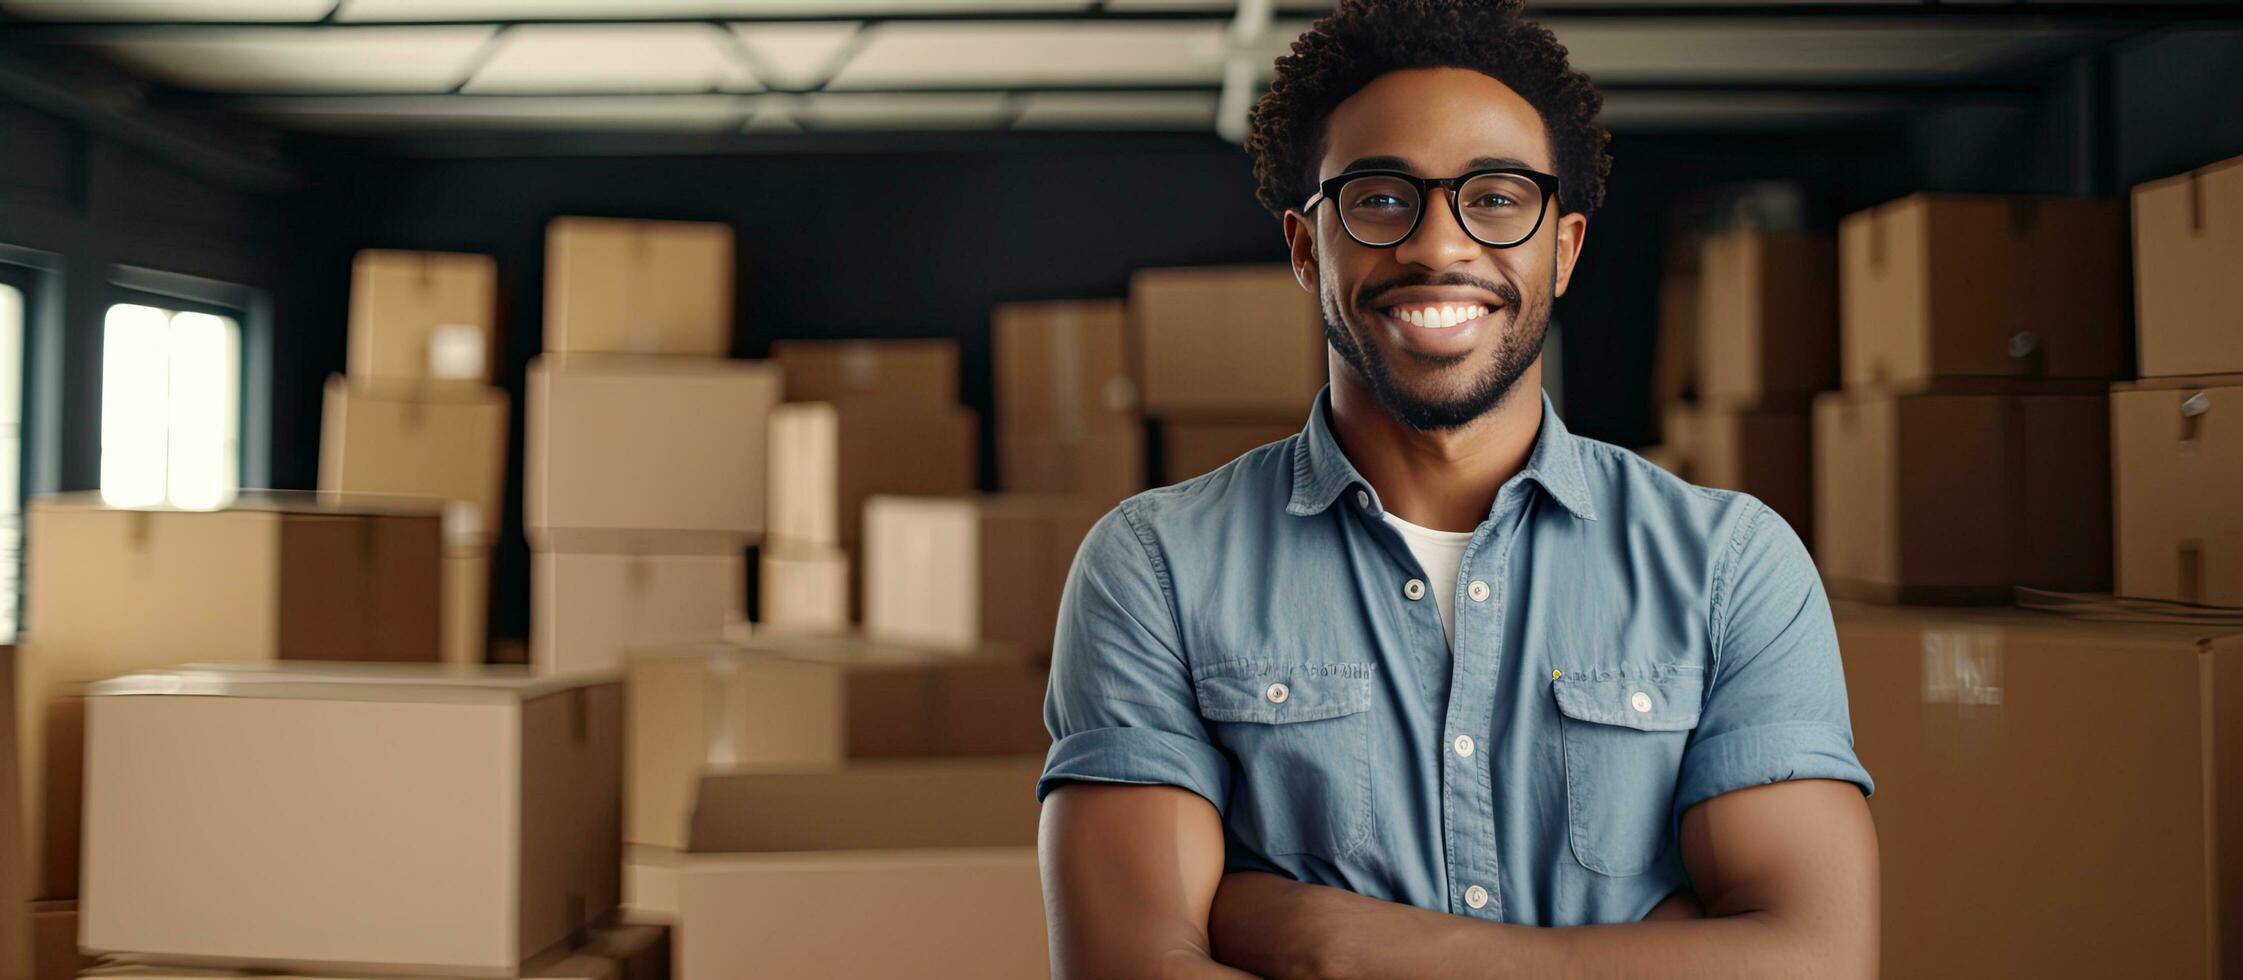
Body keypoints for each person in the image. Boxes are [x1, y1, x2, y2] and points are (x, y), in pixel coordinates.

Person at [1034, 1, 1879, 976]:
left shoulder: (1729, 564)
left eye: (1494, 197)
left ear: (1560, 249)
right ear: (1307, 249)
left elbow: (1811, 961)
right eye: (1381, 197)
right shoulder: (1156, 567)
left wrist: (1319, 937)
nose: (1438, 246)